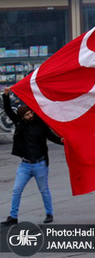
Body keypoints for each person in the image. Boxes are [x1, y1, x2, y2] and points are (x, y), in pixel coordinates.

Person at [0, 88, 63, 226]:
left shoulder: (39, 124)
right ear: (22, 117)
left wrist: (62, 141)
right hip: (25, 165)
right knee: (16, 190)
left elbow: (51, 136)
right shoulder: (19, 123)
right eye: (27, 114)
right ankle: (13, 217)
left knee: (44, 190)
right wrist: (6, 95)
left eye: (31, 112)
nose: (31, 115)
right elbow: (8, 109)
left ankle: (49, 213)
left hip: (40, 164)